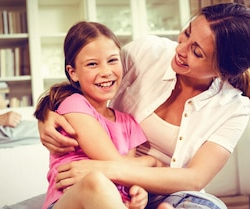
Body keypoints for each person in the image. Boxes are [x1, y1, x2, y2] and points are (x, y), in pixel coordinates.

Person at [38, 3, 250, 209]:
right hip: (115, 189)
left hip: (161, 193)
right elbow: (89, 81)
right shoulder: (147, 51)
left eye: (196, 52)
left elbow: (194, 178)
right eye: (187, 34)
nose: (181, 49)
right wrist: (46, 112)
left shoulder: (234, 108)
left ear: (222, 71)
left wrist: (109, 170)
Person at [33, 21, 161, 209]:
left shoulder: (128, 122)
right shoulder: (74, 105)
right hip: (69, 201)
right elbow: (115, 163)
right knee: (96, 181)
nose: (105, 72)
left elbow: (127, 172)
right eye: (92, 64)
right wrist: (153, 162)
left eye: (112, 60)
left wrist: (136, 190)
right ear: (73, 73)